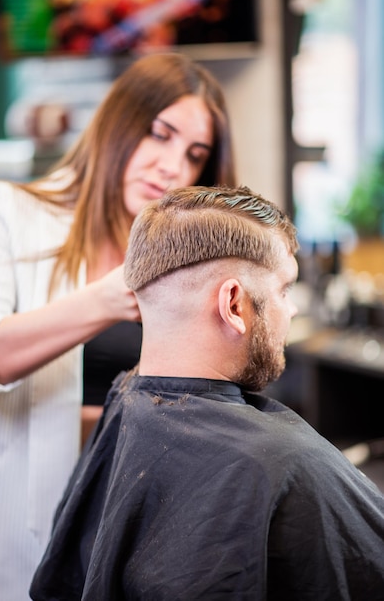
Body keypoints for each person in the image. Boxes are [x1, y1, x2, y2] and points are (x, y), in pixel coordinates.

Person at [0, 53, 236, 601]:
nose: (171, 167)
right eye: (158, 135)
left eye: (193, 155)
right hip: (16, 535)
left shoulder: (180, 259)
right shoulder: (9, 213)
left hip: (142, 531)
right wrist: (107, 299)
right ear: (118, 122)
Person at [30, 186, 384, 601]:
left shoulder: (127, 404)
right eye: (284, 290)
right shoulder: (286, 464)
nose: (291, 310)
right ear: (233, 304)